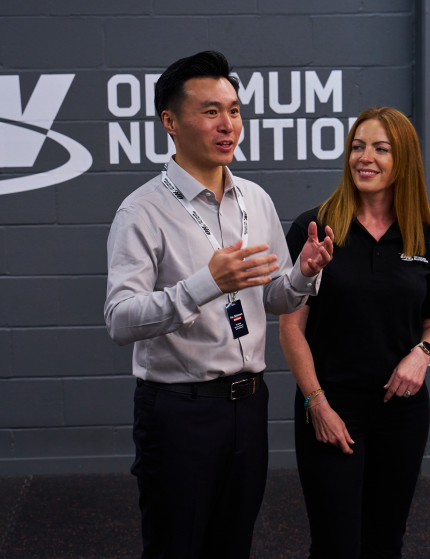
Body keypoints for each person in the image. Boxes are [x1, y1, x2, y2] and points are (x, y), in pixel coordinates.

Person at [104, 50, 334, 559]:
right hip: (179, 413)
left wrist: (303, 273)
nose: (228, 124)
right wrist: (205, 284)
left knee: (234, 544)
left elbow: (274, 297)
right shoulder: (141, 211)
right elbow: (120, 320)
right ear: (170, 122)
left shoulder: (255, 199)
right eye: (210, 111)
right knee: (176, 547)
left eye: (233, 110)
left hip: (249, 406)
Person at [279, 108, 430, 558]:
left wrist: (422, 354)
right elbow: (291, 328)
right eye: (358, 147)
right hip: (330, 406)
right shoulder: (315, 228)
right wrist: (316, 403)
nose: (364, 157)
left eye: (380, 148)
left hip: (402, 413)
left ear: (404, 159)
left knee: (384, 542)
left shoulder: (426, 237)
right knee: (335, 545)